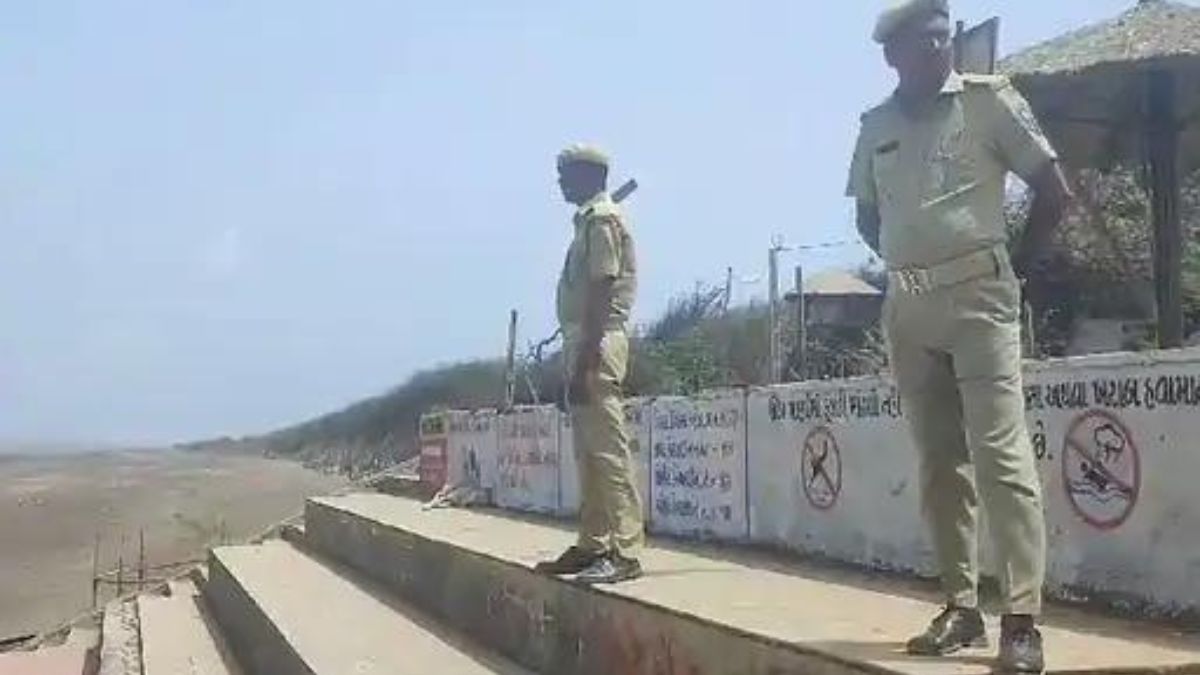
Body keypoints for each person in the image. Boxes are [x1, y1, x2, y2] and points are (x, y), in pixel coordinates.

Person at [845, 1, 1071, 671]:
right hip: (909, 309)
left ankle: (1022, 620)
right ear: (893, 54)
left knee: (1002, 456)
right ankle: (961, 605)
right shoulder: (875, 125)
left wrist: (1010, 270)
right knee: (940, 463)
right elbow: (865, 214)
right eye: (923, 42)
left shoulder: (988, 101)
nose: (939, 49)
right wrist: (907, 256)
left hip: (981, 297)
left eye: (944, 38)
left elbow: (1053, 191)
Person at [534, 144, 645, 585]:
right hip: (583, 340)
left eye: (567, 175)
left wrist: (588, 354)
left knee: (609, 453)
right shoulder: (588, 219)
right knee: (590, 455)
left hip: (597, 341)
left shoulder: (602, 219)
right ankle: (593, 543)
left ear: (587, 176)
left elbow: (602, 287)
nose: (560, 183)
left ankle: (625, 550)